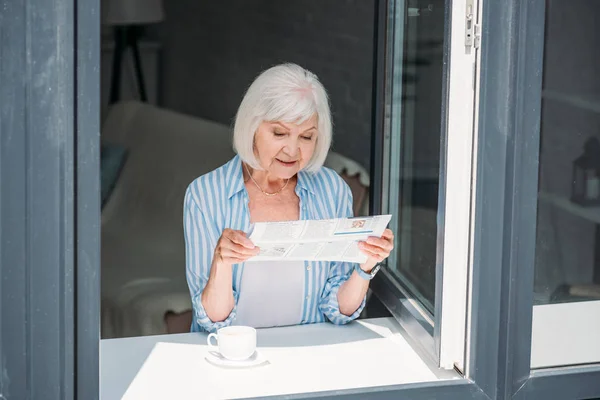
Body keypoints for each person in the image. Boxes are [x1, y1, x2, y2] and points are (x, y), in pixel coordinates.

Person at [183, 63, 394, 333]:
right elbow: (211, 320)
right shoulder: (206, 195)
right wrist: (222, 263)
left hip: (306, 354)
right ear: (252, 127)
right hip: (231, 356)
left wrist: (365, 265)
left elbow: (339, 312)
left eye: (306, 137)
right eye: (279, 133)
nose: (293, 150)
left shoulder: (332, 190)